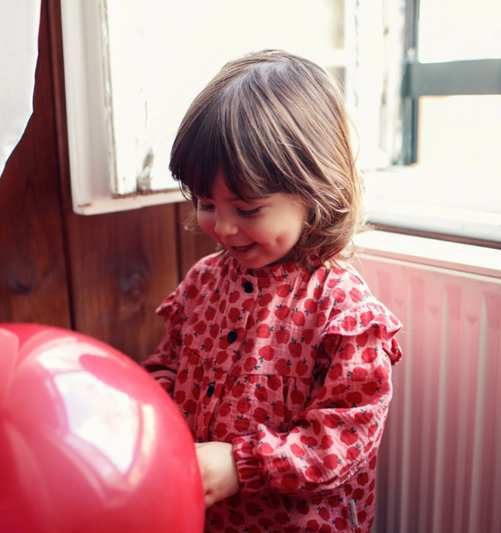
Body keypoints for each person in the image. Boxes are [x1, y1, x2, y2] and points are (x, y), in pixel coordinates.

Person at [144, 50, 403, 533]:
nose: (220, 226)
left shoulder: (343, 310)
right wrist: (161, 415)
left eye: (246, 209)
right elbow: (167, 365)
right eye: (205, 202)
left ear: (314, 191)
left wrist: (242, 465)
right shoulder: (202, 282)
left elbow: (343, 439)